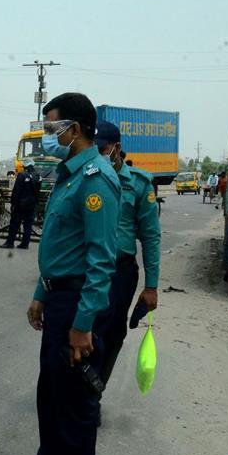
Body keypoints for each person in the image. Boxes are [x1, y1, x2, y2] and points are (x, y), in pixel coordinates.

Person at [2, 93, 120, 455]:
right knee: (49, 392)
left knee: (74, 400)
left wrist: (82, 323)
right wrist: (39, 292)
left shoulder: (95, 179)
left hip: (77, 301)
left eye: (52, 128)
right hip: (57, 294)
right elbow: (59, 245)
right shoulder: (68, 174)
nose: (49, 136)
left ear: (75, 128)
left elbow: (101, 259)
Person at [93, 121, 160, 389]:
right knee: (86, 330)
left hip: (120, 272)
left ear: (117, 148)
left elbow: (151, 237)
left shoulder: (139, 185)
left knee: (113, 334)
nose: (99, 155)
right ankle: (83, 392)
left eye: (103, 149)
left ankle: (96, 388)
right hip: (88, 269)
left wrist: (151, 285)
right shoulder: (91, 178)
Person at [0, 161, 40, 249]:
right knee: (28, 225)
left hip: (20, 205)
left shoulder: (22, 175)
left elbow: (16, 191)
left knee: (14, 224)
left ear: (25, 166)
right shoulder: (38, 177)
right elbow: (38, 192)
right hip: (31, 205)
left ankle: (10, 243)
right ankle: (25, 244)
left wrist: (13, 203)